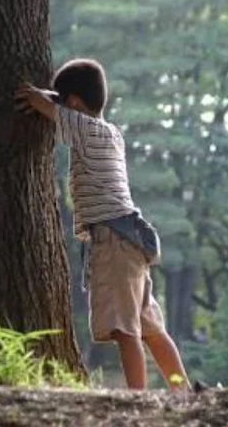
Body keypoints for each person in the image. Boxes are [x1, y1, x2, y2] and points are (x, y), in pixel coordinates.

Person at [14, 58, 191, 392]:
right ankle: (180, 391)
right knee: (151, 326)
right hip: (132, 236)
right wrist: (56, 97)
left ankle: (137, 397)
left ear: (75, 104)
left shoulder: (84, 128)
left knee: (125, 330)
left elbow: (42, 104)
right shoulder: (111, 133)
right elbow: (58, 105)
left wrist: (30, 93)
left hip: (111, 240)